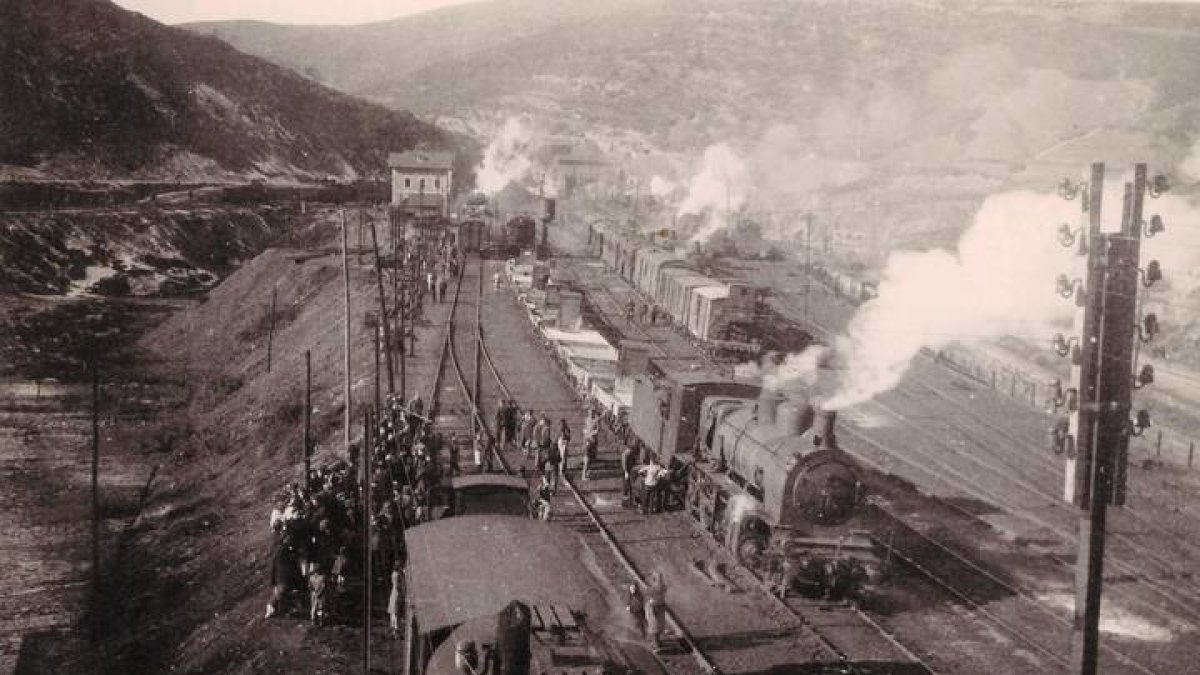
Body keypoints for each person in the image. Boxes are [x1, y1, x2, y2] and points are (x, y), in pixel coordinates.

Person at [644, 571, 668, 652]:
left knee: (653, 627)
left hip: (653, 608)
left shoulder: (653, 589)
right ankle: (658, 643)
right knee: (658, 625)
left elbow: (647, 593)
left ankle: (657, 646)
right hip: (660, 607)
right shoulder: (664, 586)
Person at [388, 560, 404, 637]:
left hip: (394, 593)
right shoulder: (397, 574)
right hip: (396, 593)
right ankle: (396, 631)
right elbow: (398, 585)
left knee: (394, 612)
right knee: (395, 612)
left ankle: (395, 630)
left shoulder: (395, 574)